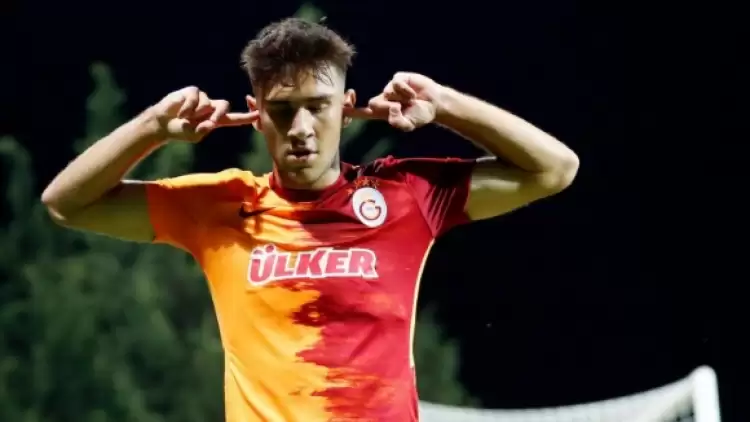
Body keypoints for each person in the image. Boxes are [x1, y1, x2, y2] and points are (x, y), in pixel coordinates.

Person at [41, 17, 579, 422]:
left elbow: (554, 169)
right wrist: (153, 127)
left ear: (347, 107)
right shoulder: (218, 206)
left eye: (318, 106)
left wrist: (444, 104)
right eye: (282, 109)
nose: (300, 127)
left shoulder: (406, 195)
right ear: (256, 114)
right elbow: (66, 203)